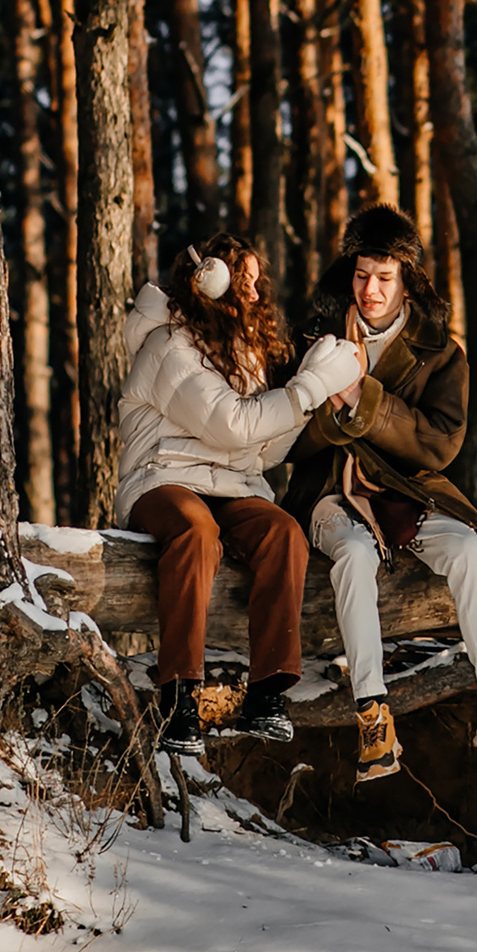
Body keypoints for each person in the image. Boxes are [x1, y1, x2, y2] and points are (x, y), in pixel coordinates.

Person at [286, 205, 477, 783]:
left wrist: (357, 397)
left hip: (408, 491)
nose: (370, 289)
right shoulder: (314, 335)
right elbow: (286, 437)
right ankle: (372, 714)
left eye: (384, 278)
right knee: (355, 556)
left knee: (466, 549)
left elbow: (438, 445)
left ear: (407, 279)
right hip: (326, 495)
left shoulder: (442, 351)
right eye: (362, 274)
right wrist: (332, 403)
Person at [117, 235, 365, 753]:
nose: (253, 293)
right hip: (164, 478)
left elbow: (263, 450)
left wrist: (309, 384)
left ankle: (267, 692)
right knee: (194, 530)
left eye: (257, 281)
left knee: (284, 534)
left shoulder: (244, 354)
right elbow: (233, 425)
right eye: (242, 280)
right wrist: (308, 389)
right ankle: (180, 695)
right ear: (208, 282)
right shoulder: (171, 345)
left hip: (233, 485)